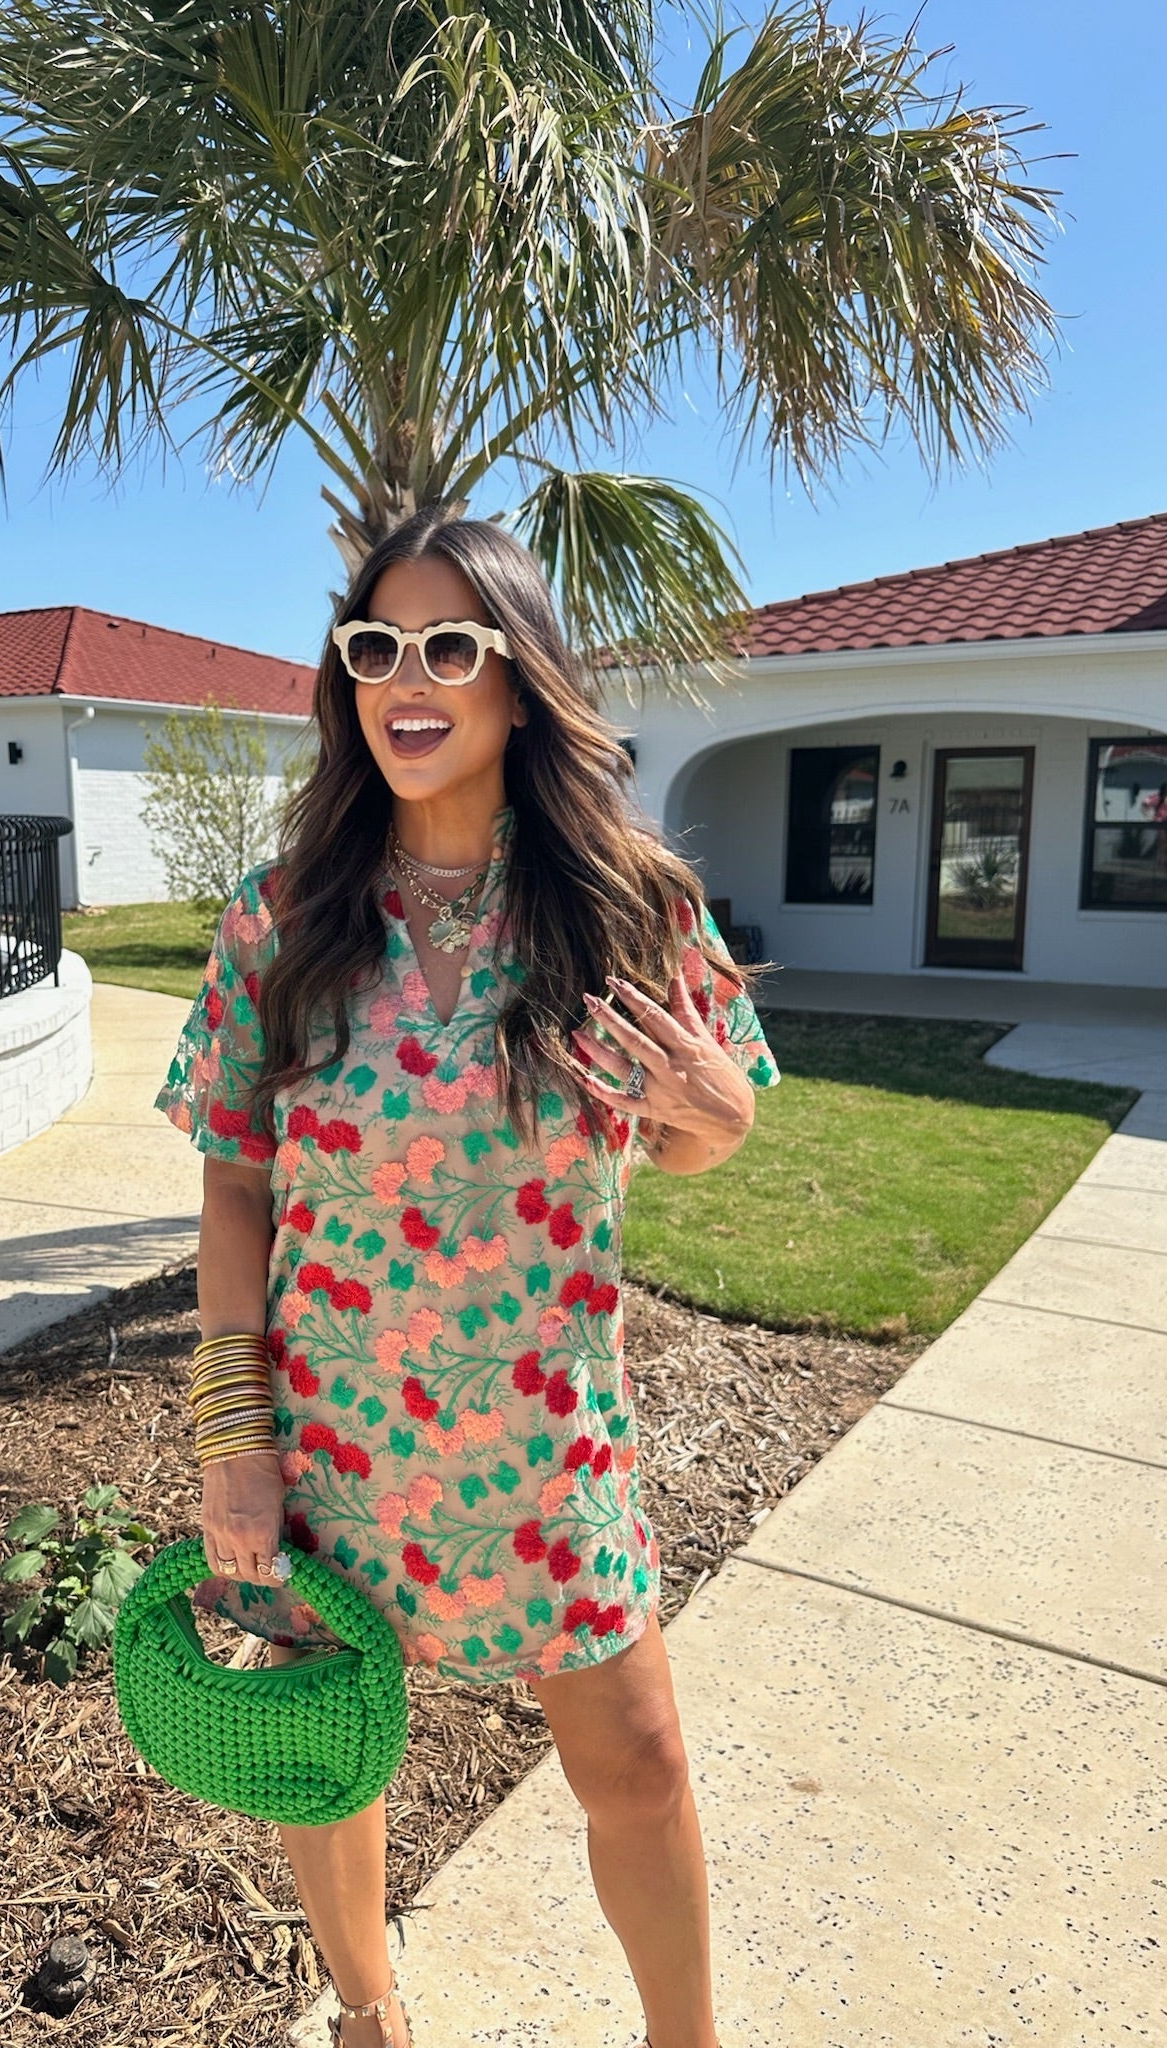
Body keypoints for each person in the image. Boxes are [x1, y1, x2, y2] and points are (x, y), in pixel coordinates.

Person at [155, 505, 782, 2048]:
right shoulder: (281, 916)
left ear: (520, 678)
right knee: (327, 1742)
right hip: (331, 1435)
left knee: (639, 1763)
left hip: (542, 1443)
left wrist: (721, 1115)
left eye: (452, 643)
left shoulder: (630, 902)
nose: (407, 676)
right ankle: (369, 2014)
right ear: (346, 683)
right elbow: (236, 1177)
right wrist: (234, 1439)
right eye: (375, 647)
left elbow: (704, 1126)